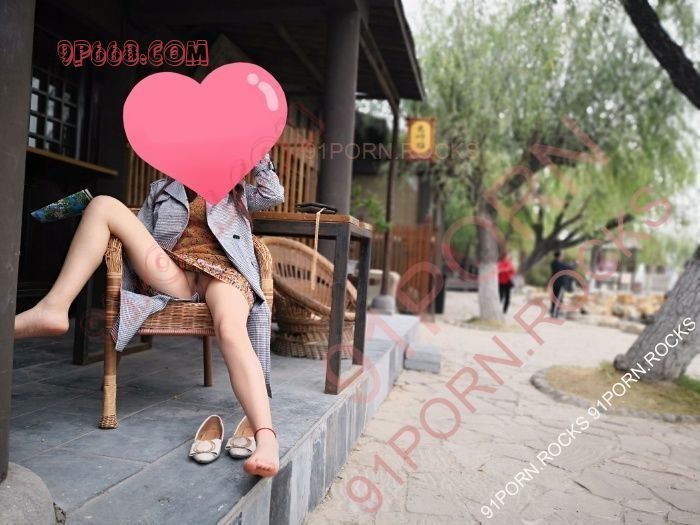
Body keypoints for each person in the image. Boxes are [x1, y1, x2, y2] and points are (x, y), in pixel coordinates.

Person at [14, 153, 284, 478]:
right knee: (103, 205)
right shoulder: (161, 190)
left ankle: (266, 437)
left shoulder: (237, 191)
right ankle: (54, 308)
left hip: (224, 274)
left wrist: (259, 157)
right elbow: (140, 237)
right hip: (173, 272)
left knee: (230, 330)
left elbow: (272, 195)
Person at [550, 250, 576, 318]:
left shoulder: (553, 263)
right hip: (560, 284)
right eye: (562, 254)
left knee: (554, 298)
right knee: (559, 299)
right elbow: (570, 267)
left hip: (554, 283)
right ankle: (555, 314)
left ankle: (553, 312)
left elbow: (566, 266)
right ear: (560, 255)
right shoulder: (559, 264)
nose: (563, 256)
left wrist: (571, 264)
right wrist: (575, 264)